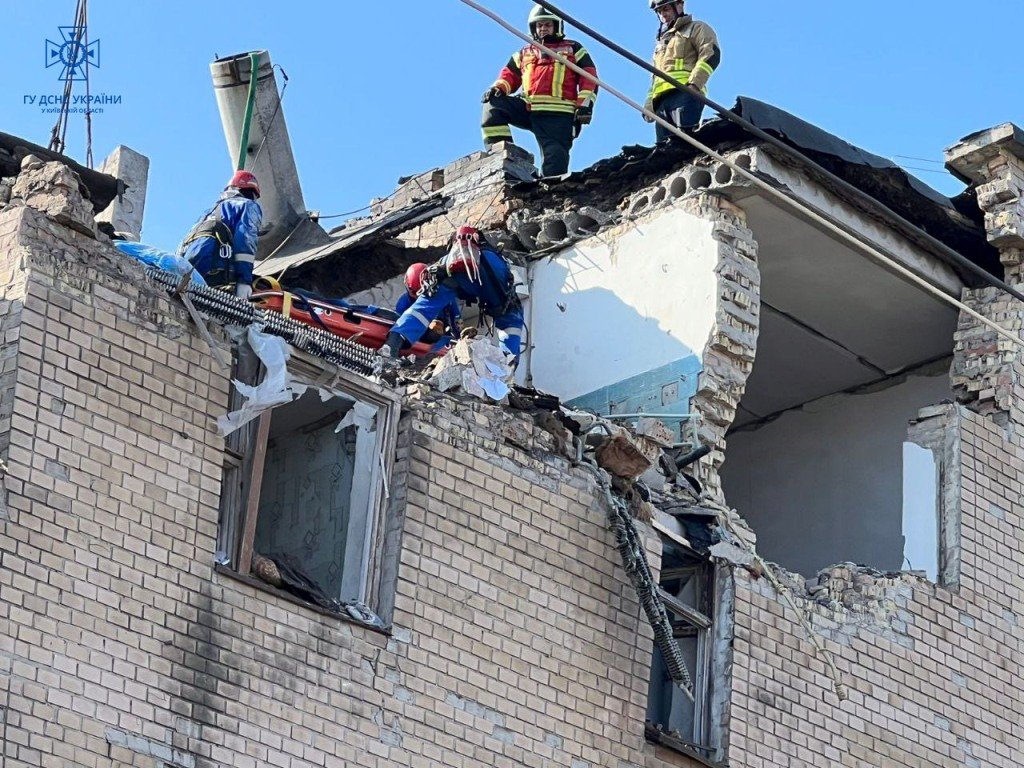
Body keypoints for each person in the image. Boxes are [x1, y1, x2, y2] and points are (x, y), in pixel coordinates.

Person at [481, 4, 598, 178]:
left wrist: (584, 106)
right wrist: (498, 88)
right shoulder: (524, 53)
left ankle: (549, 196)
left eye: (547, 25)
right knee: (493, 107)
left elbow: (589, 77)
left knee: (554, 165)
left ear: (556, 26)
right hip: (529, 107)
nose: (543, 29)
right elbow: (509, 76)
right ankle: (504, 158)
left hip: (558, 115)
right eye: (539, 25)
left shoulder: (573, 49)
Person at [384, 228, 524, 361]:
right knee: (511, 321)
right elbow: (509, 286)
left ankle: (390, 347)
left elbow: (426, 312)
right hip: (494, 282)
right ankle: (507, 366)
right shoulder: (497, 260)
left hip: (457, 275)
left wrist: (459, 337)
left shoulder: (450, 260)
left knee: (423, 307)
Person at [644, 0, 720, 141]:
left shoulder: (696, 28)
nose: (663, 15)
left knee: (685, 141)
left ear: (679, 5)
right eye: (659, 12)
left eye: (666, 9)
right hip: (661, 102)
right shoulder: (661, 45)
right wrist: (649, 105)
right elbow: (655, 77)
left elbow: (710, 55)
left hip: (684, 93)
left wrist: (694, 84)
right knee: (664, 151)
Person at [179, 170, 263, 298]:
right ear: (252, 193)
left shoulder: (208, 213)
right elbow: (245, 241)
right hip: (216, 271)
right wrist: (244, 281)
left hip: (189, 270)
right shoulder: (248, 205)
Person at [396, 262, 461, 342]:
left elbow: (456, 318)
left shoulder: (443, 296)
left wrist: (460, 335)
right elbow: (400, 328)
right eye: (414, 293)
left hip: (443, 337)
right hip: (417, 338)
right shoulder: (403, 304)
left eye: (421, 293)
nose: (418, 297)